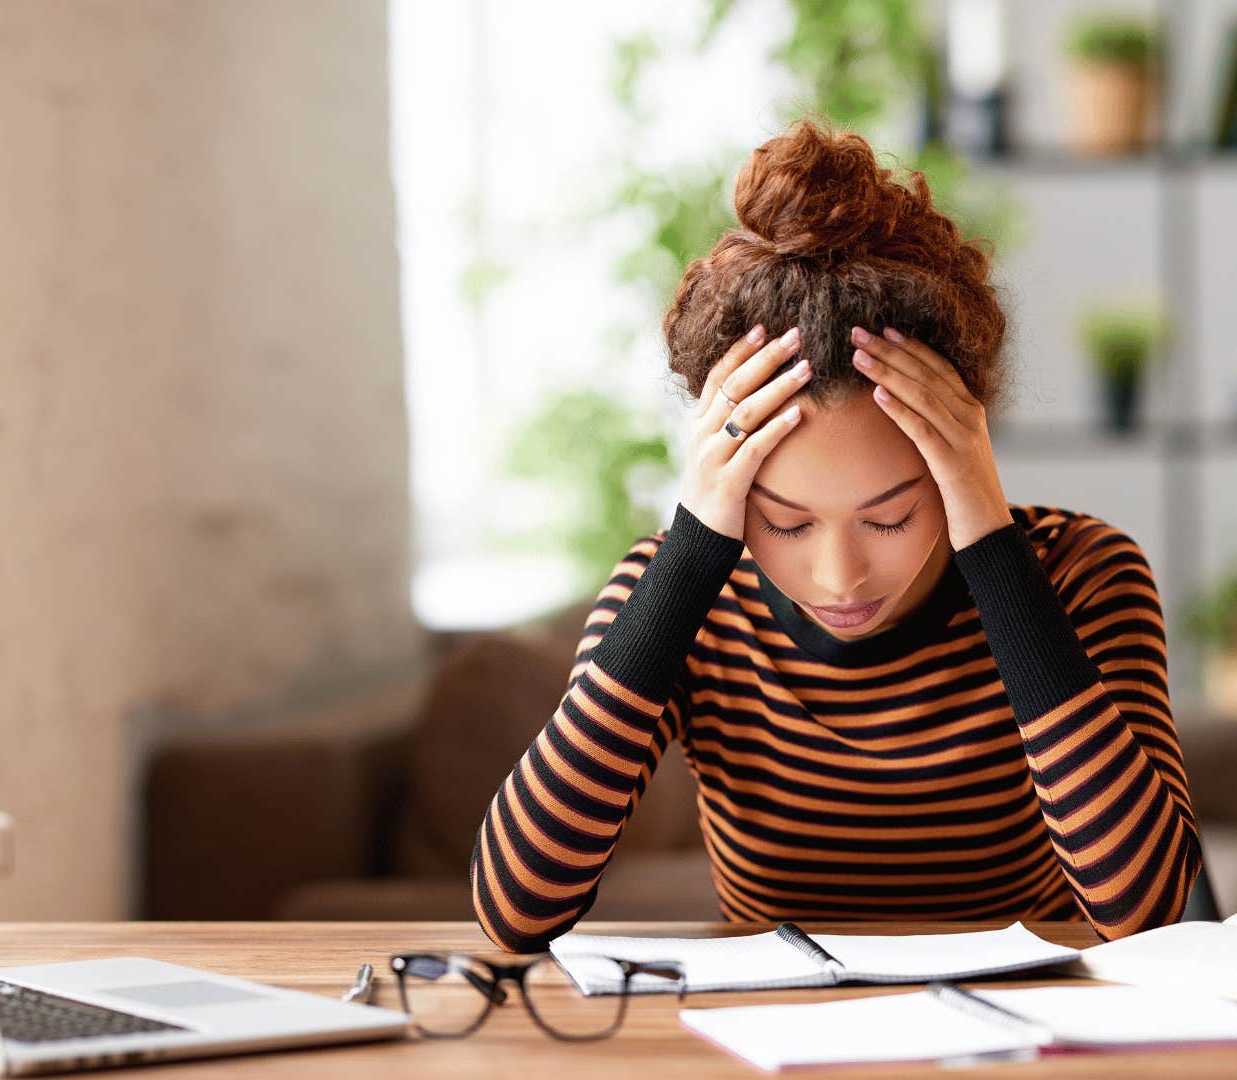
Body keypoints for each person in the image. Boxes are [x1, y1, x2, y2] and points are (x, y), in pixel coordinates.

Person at [471, 119, 1198, 953]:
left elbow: (1147, 915)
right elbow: (516, 909)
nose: (840, 576)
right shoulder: (678, 593)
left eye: (890, 516)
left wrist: (991, 547)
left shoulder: (1081, 575)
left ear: (965, 455)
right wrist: (691, 552)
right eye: (785, 520)